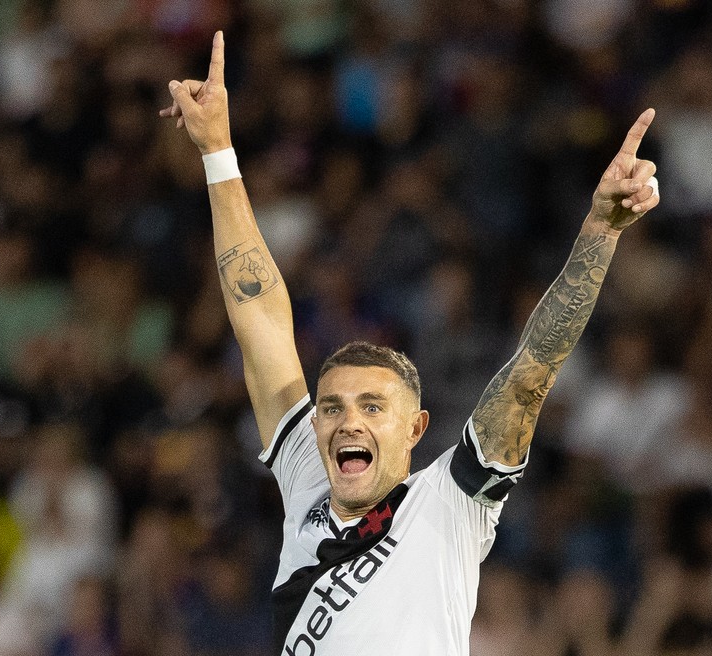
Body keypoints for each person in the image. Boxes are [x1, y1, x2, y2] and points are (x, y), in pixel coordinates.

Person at [160, 31, 660, 656]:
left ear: (416, 428)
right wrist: (217, 151)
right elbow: (258, 317)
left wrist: (600, 232)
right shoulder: (309, 482)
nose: (348, 421)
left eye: (373, 406)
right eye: (332, 407)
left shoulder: (450, 501)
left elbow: (531, 372)